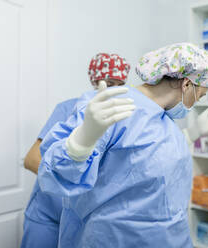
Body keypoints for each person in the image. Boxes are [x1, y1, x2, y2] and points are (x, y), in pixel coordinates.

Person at [38, 43, 208, 247]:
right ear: (187, 84)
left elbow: (152, 160)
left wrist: (191, 134)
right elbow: (54, 175)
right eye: (200, 95)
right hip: (112, 239)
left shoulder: (164, 119)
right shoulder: (112, 104)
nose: (196, 101)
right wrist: (83, 139)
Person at [21, 53, 130, 248]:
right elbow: (31, 159)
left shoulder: (125, 114)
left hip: (84, 218)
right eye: (105, 82)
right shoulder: (69, 108)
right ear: (95, 81)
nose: (110, 88)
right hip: (47, 213)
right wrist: (70, 178)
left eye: (117, 83)